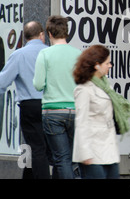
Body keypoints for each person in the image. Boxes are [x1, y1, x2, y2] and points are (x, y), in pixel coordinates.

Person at [0, 21, 50, 179]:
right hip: (50, 104)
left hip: (29, 106)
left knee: (35, 147)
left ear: (26, 37)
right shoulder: (50, 52)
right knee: (40, 147)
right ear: (42, 35)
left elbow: (3, 81)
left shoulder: (19, 54)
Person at [33, 15, 81, 179]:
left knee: (62, 159)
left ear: (49, 34)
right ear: (67, 33)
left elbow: (38, 84)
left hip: (52, 112)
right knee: (76, 159)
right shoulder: (78, 54)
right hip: (76, 111)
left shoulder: (44, 54)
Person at [72, 45, 123, 179]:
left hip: (109, 148)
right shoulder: (84, 89)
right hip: (92, 150)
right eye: (107, 63)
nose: (110, 65)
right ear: (97, 65)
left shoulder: (106, 86)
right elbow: (81, 122)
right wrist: (85, 153)